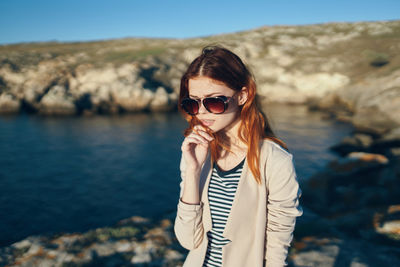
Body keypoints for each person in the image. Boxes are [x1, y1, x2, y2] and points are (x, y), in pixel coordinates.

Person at [174, 45, 302, 267]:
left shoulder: (275, 160)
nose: (201, 112)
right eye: (193, 102)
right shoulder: (198, 153)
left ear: (243, 95)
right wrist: (193, 171)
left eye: (213, 101)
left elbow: (277, 243)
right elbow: (188, 241)